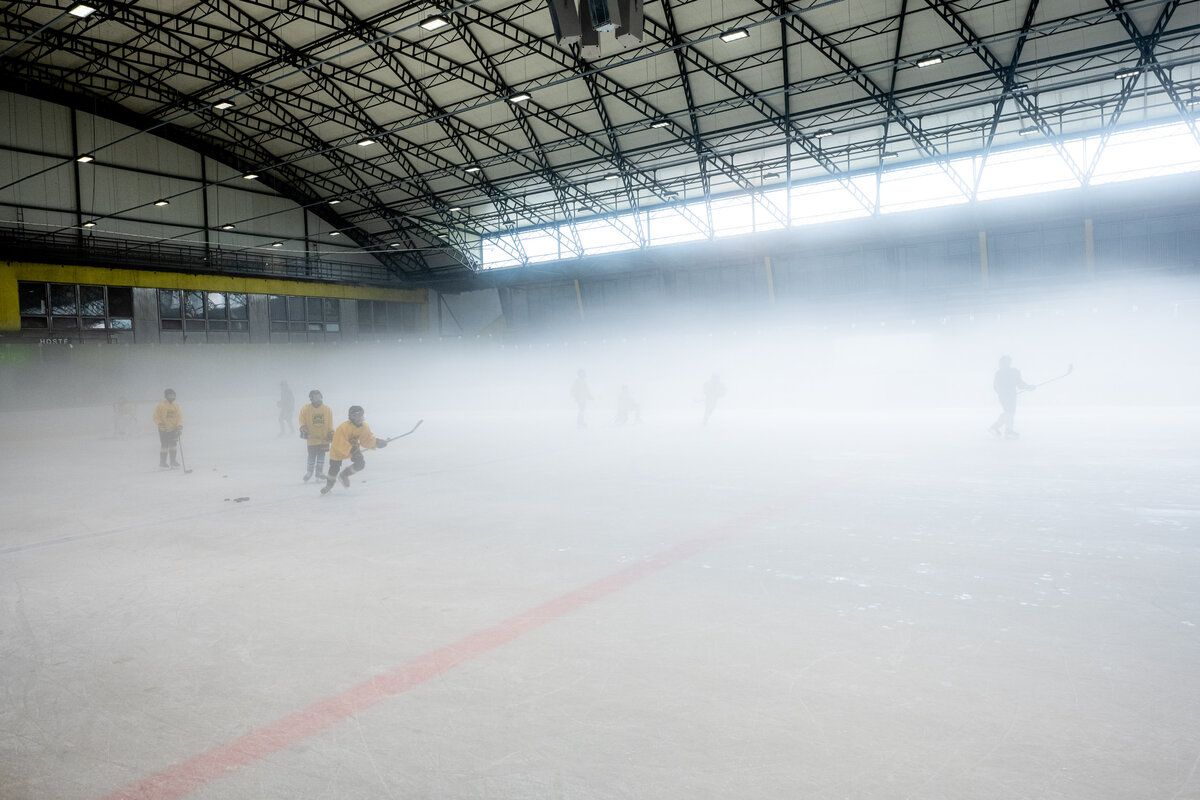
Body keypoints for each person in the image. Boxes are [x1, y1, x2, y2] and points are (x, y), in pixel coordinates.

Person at [321, 405, 388, 495]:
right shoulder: (343, 428)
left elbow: (366, 440)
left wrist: (377, 442)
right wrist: (352, 450)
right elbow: (338, 443)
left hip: (353, 449)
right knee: (334, 469)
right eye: (356, 415)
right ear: (351, 417)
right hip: (337, 450)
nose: (359, 418)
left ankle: (344, 475)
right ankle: (328, 485)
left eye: (360, 415)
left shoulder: (364, 426)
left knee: (360, 463)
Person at [989, 355, 1034, 439]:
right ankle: (1003, 429)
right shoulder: (999, 373)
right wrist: (1003, 393)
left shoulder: (1014, 372)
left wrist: (1028, 387)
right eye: (1004, 362)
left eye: (1008, 361)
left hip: (1012, 396)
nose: (1006, 363)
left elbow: (1019, 383)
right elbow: (996, 386)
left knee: (1010, 412)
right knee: (1009, 412)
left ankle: (1002, 429)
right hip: (1004, 396)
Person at [298, 389, 334, 482]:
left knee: (321, 455)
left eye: (318, 396)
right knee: (312, 455)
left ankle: (319, 472)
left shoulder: (327, 409)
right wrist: (303, 427)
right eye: (314, 397)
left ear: (321, 397)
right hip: (311, 438)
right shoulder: (306, 409)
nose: (317, 398)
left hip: (324, 438)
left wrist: (331, 432)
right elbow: (302, 419)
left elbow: (330, 422)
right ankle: (309, 472)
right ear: (311, 398)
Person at [152, 388, 183, 469]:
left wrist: (179, 426)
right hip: (163, 429)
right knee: (164, 446)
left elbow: (179, 417)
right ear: (166, 396)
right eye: (169, 395)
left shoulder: (176, 406)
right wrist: (159, 423)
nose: (171, 396)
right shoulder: (161, 405)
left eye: (173, 395)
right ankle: (163, 462)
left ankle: (173, 461)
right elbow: (156, 416)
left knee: (173, 445)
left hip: (173, 429)